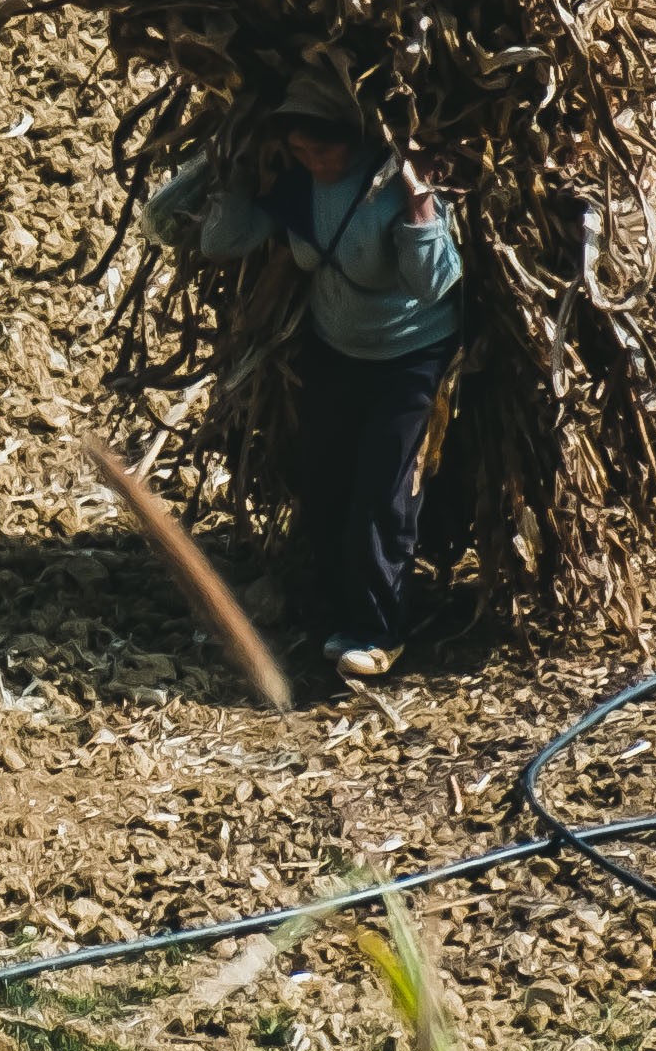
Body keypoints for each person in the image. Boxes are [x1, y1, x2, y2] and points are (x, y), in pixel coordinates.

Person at [148, 73, 466, 679]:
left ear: (356, 140)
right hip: (335, 353)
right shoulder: (294, 186)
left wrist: (421, 200)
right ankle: (333, 615)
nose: (315, 161)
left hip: (411, 359)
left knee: (382, 493)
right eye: (301, 150)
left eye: (325, 149)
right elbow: (220, 242)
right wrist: (236, 180)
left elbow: (433, 282)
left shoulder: (390, 186)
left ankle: (379, 632)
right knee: (323, 483)